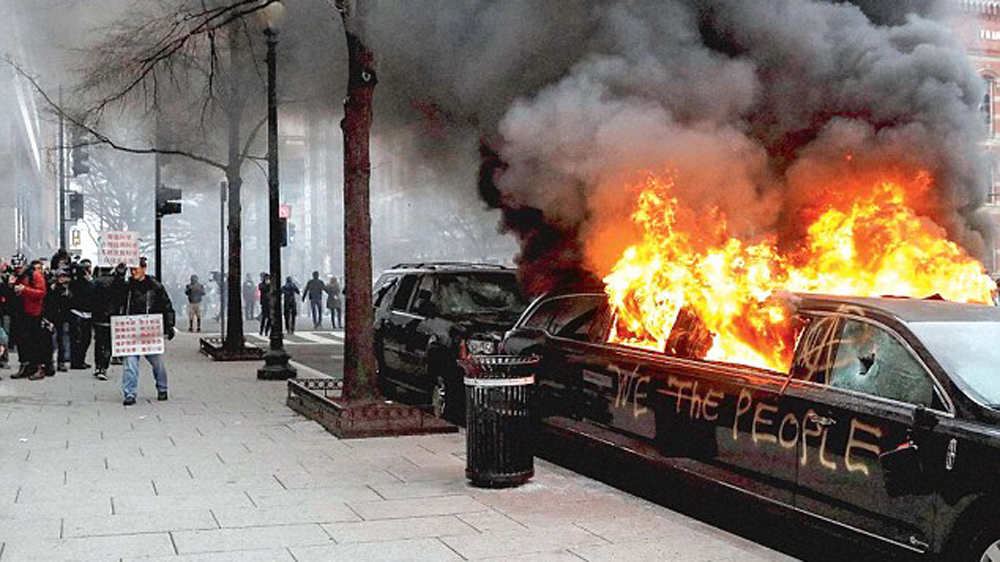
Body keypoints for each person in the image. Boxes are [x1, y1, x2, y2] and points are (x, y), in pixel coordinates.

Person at [112, 257, 175, 406]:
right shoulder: (126, 286)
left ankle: (162, 387)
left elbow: (166, 305)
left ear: (144, 268)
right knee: (130, 364)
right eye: (131, 269)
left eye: (136, 269)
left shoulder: (155, 286)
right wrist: (118, 276)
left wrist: (169, 325)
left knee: (157, 363)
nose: (133, 272)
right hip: (130, 330)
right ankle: (130, 393)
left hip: (150, 330)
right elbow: (114, 294)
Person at [11, 260, 49, 380]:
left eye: (19, 267)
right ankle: (25, 365)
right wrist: (11, 286)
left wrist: (25, 290)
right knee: (22, 342)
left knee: (35, 342)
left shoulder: (34, 275)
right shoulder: (16, 276)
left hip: (34, 313)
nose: (18, 270)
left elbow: (42, 293)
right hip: (19, 312)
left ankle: (38, 368)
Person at [91, 266, 116, 380]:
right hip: (112, 317)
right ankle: (104, 367)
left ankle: (98, 365)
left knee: (99, 342)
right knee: (108, 343)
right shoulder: (116, 282)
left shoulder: (95, 282)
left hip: (98, 316)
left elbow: (90, 299)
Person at [46, 268, 73, 372]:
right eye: (60, 277)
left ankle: (61, 362)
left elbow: (69, 301)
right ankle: (49, 361)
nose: (62, 279)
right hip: (52, 316)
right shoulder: (51, 288)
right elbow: (49, 301)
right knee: (51, 340)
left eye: (63, 276)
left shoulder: (66, 289)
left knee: (62, 340)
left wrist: (66, 292)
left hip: (62, 317)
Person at [69, 259, 95, 369]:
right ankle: (76, 361)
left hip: (88, 313)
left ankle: (81, 359)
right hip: (77, 312)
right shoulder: (77, 282)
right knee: (78, 339)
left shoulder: (90, 281)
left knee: (86, 339)